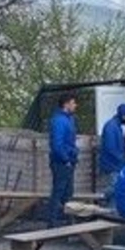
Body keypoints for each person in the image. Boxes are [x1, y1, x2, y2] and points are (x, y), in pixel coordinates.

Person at [47, 92, 79, 228]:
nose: (75, 105)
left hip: (69, 160)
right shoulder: (59, 121)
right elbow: (57, 144)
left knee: (68, 192)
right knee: (59, 191)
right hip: (61, 162)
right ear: (66, 104)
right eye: (73, 103)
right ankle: (52, 223)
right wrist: (66, 159)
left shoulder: (69, 119)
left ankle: (67, 222)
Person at [98, 103, 125, 200]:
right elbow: (110, 148)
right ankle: (105, 205)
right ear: (123, 115)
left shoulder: (117, 126)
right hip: (111, 165)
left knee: (115, 189)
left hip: (116, 165)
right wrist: (122, 159)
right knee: (113, 189)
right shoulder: (111, 126)